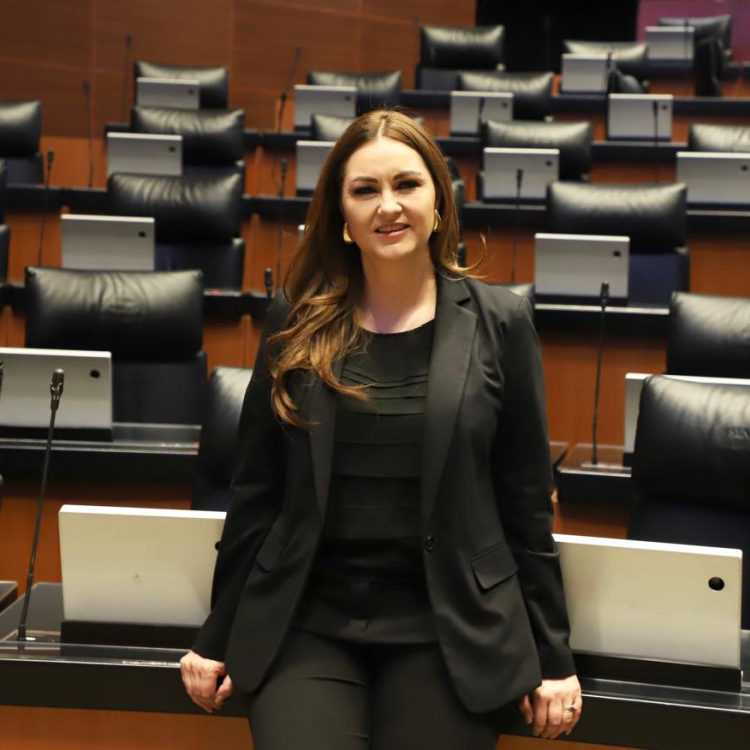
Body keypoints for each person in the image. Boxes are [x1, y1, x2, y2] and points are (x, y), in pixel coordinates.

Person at [181, 109, 582, 749]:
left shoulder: (501, 322)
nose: (388, 206)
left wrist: (554, 655)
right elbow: (257, 491)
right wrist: (216, 634)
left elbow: (526, 500)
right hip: (307, 621)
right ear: (341, 212)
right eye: (365, 189)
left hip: (450, 625)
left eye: (407, 184)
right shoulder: (295, 319)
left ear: (438, 200)